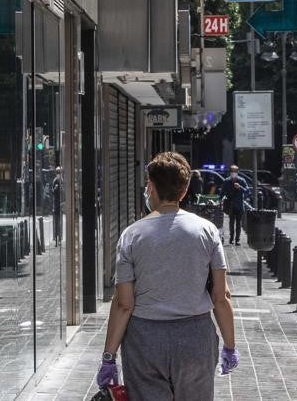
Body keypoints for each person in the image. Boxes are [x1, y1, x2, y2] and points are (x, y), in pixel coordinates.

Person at [95, 152, 238, 399]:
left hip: (145, 341)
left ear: (150, 187)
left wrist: (109, 357)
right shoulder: (207, 231)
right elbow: (220, 296)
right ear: (183, 192)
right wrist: (230, 345)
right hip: (195, 338)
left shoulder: (131, 235)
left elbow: (123, 304)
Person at [222, 165, 248, 245]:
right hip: (231, 205)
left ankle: (237, 239)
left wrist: (240, 187)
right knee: (231, 222)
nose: (233, 173)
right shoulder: (226, 181)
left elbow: (247, 191)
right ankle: (231, 238)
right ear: (230, 172)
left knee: (239, 223)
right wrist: (219, 200)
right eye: (232, 171)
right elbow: (222, 192)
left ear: (237, 172)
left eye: (235, 171)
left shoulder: (242, 181)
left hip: (239, 205)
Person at [50, 167, 64, 246]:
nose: (59, 174)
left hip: (59, 204)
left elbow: (63, 192)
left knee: (59, 221)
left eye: (60, 172)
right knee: (57, 221)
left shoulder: (61, 180)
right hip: (56, 204)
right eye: (58, 172)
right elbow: (53, 191)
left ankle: (59, 237)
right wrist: (55, 189)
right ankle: (56, 237)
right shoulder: (56, 181)